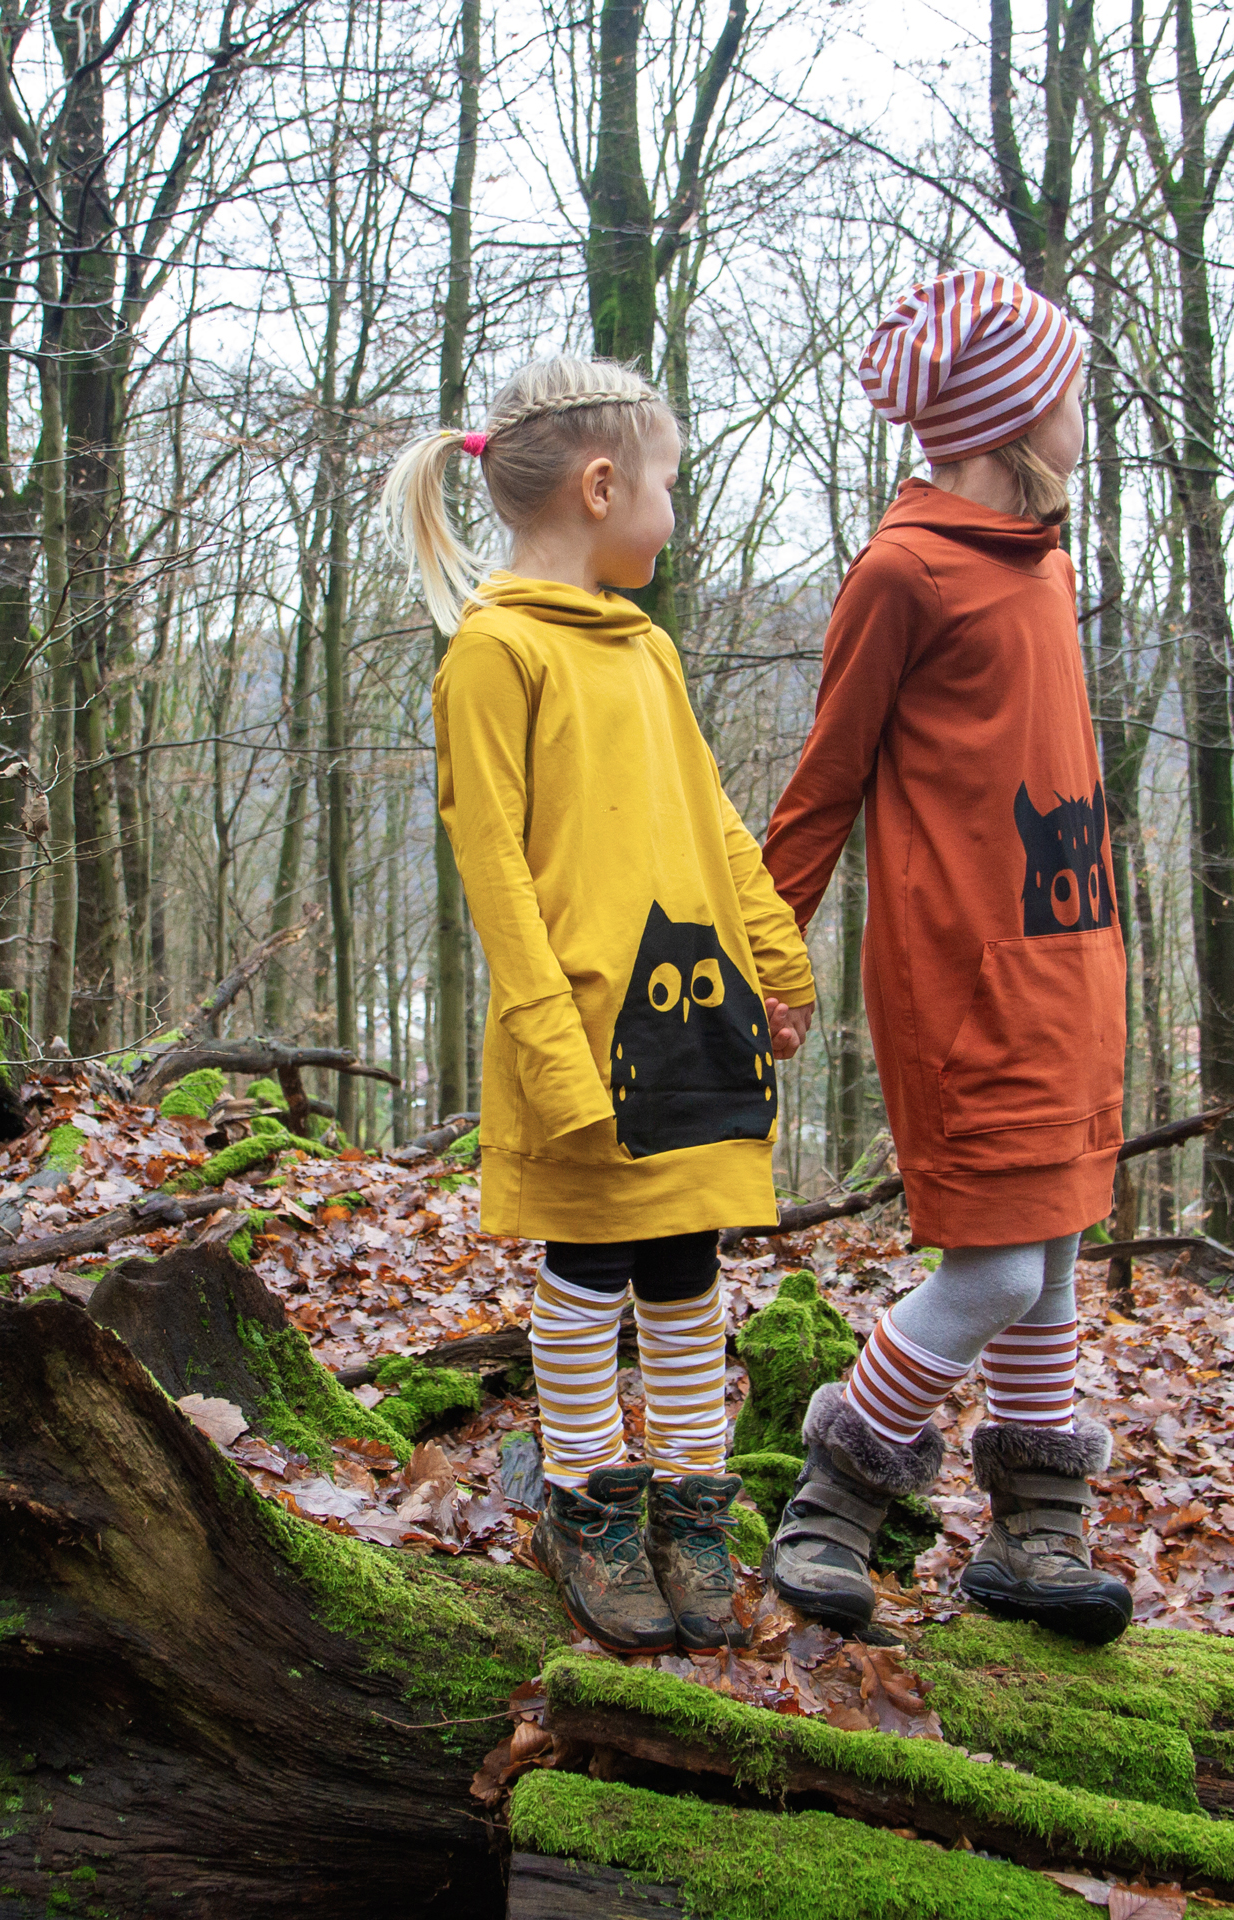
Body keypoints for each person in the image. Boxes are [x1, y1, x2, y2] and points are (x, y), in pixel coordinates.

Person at [388, 355, 816, 1655]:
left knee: (687, 1266)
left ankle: (692, 1496)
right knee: (586, 1271)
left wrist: (776, 960)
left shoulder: (648, 652)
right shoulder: (494, 656)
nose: (674, 515)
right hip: (578, 1039)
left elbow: (713, 820)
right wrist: (555, 1059)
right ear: (600, 484)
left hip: (693, 1025)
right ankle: (584, 1497)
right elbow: (498, 878)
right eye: (669, 487)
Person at [759, 271, 1132, 1645]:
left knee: (1055, 1257)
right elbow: (824, 780)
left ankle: (1038, 1530)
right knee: (989, 1270)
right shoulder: (904, 570)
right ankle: (836, 1499)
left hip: (1071, 970)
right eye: (1076, 392)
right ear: (1018, 410)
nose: (1089, 415)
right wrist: (765, 953)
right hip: (964, 987)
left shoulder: (1046, 562)